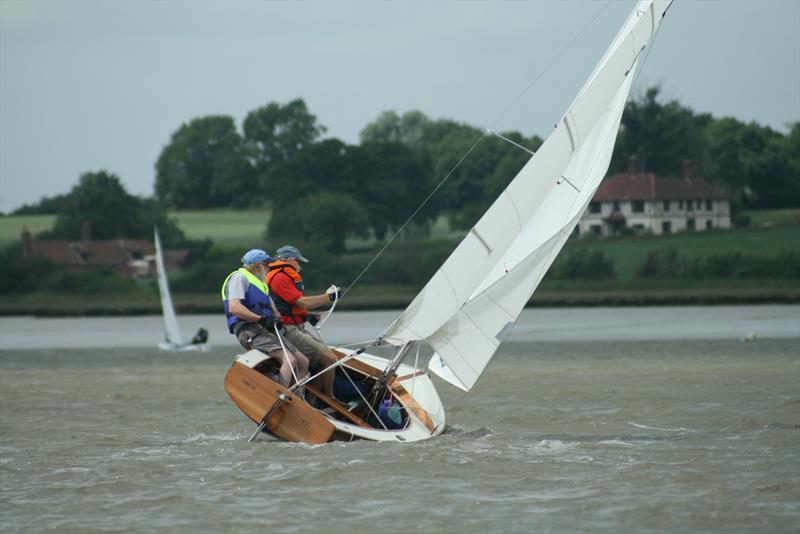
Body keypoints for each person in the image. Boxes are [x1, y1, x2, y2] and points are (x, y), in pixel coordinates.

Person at [222, 248, 309, 388]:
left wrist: (277, 318)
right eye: (267, 265)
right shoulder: (239, 277)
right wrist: (261, 319)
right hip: (248, 328)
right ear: (257, 266)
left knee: (303, 361)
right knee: (289, 360)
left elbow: (273, 309)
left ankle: (297, 398)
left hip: (266, 329)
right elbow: (234, 308)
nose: (270, 268)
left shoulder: (261, 284)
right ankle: (278, 396)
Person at [266, 245, 341, 400]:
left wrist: (307, 317)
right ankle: (329, 398)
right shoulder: (280, 277)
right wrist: (329, 297)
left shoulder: (285, 275)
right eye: (299, 262)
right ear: (289, 260)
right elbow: (301, 303)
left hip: (296, 326)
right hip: (288, 330)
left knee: (325, 360)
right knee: (330, 359)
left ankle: (315, 401)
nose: (300, 266)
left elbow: (290, 307)